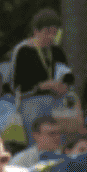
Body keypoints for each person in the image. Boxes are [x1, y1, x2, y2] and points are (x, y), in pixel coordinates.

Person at [13, 9, 70, 145]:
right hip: (33, 103)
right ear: (36, 31)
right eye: (47, 32)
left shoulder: (57, 52)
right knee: (37, 143)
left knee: (58, 141)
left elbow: (67, 77)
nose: (51, 37)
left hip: (56, 103)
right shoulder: (24, 51)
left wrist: (64, 87)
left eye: (54, 33)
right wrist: (42, 85)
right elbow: (18, 83)